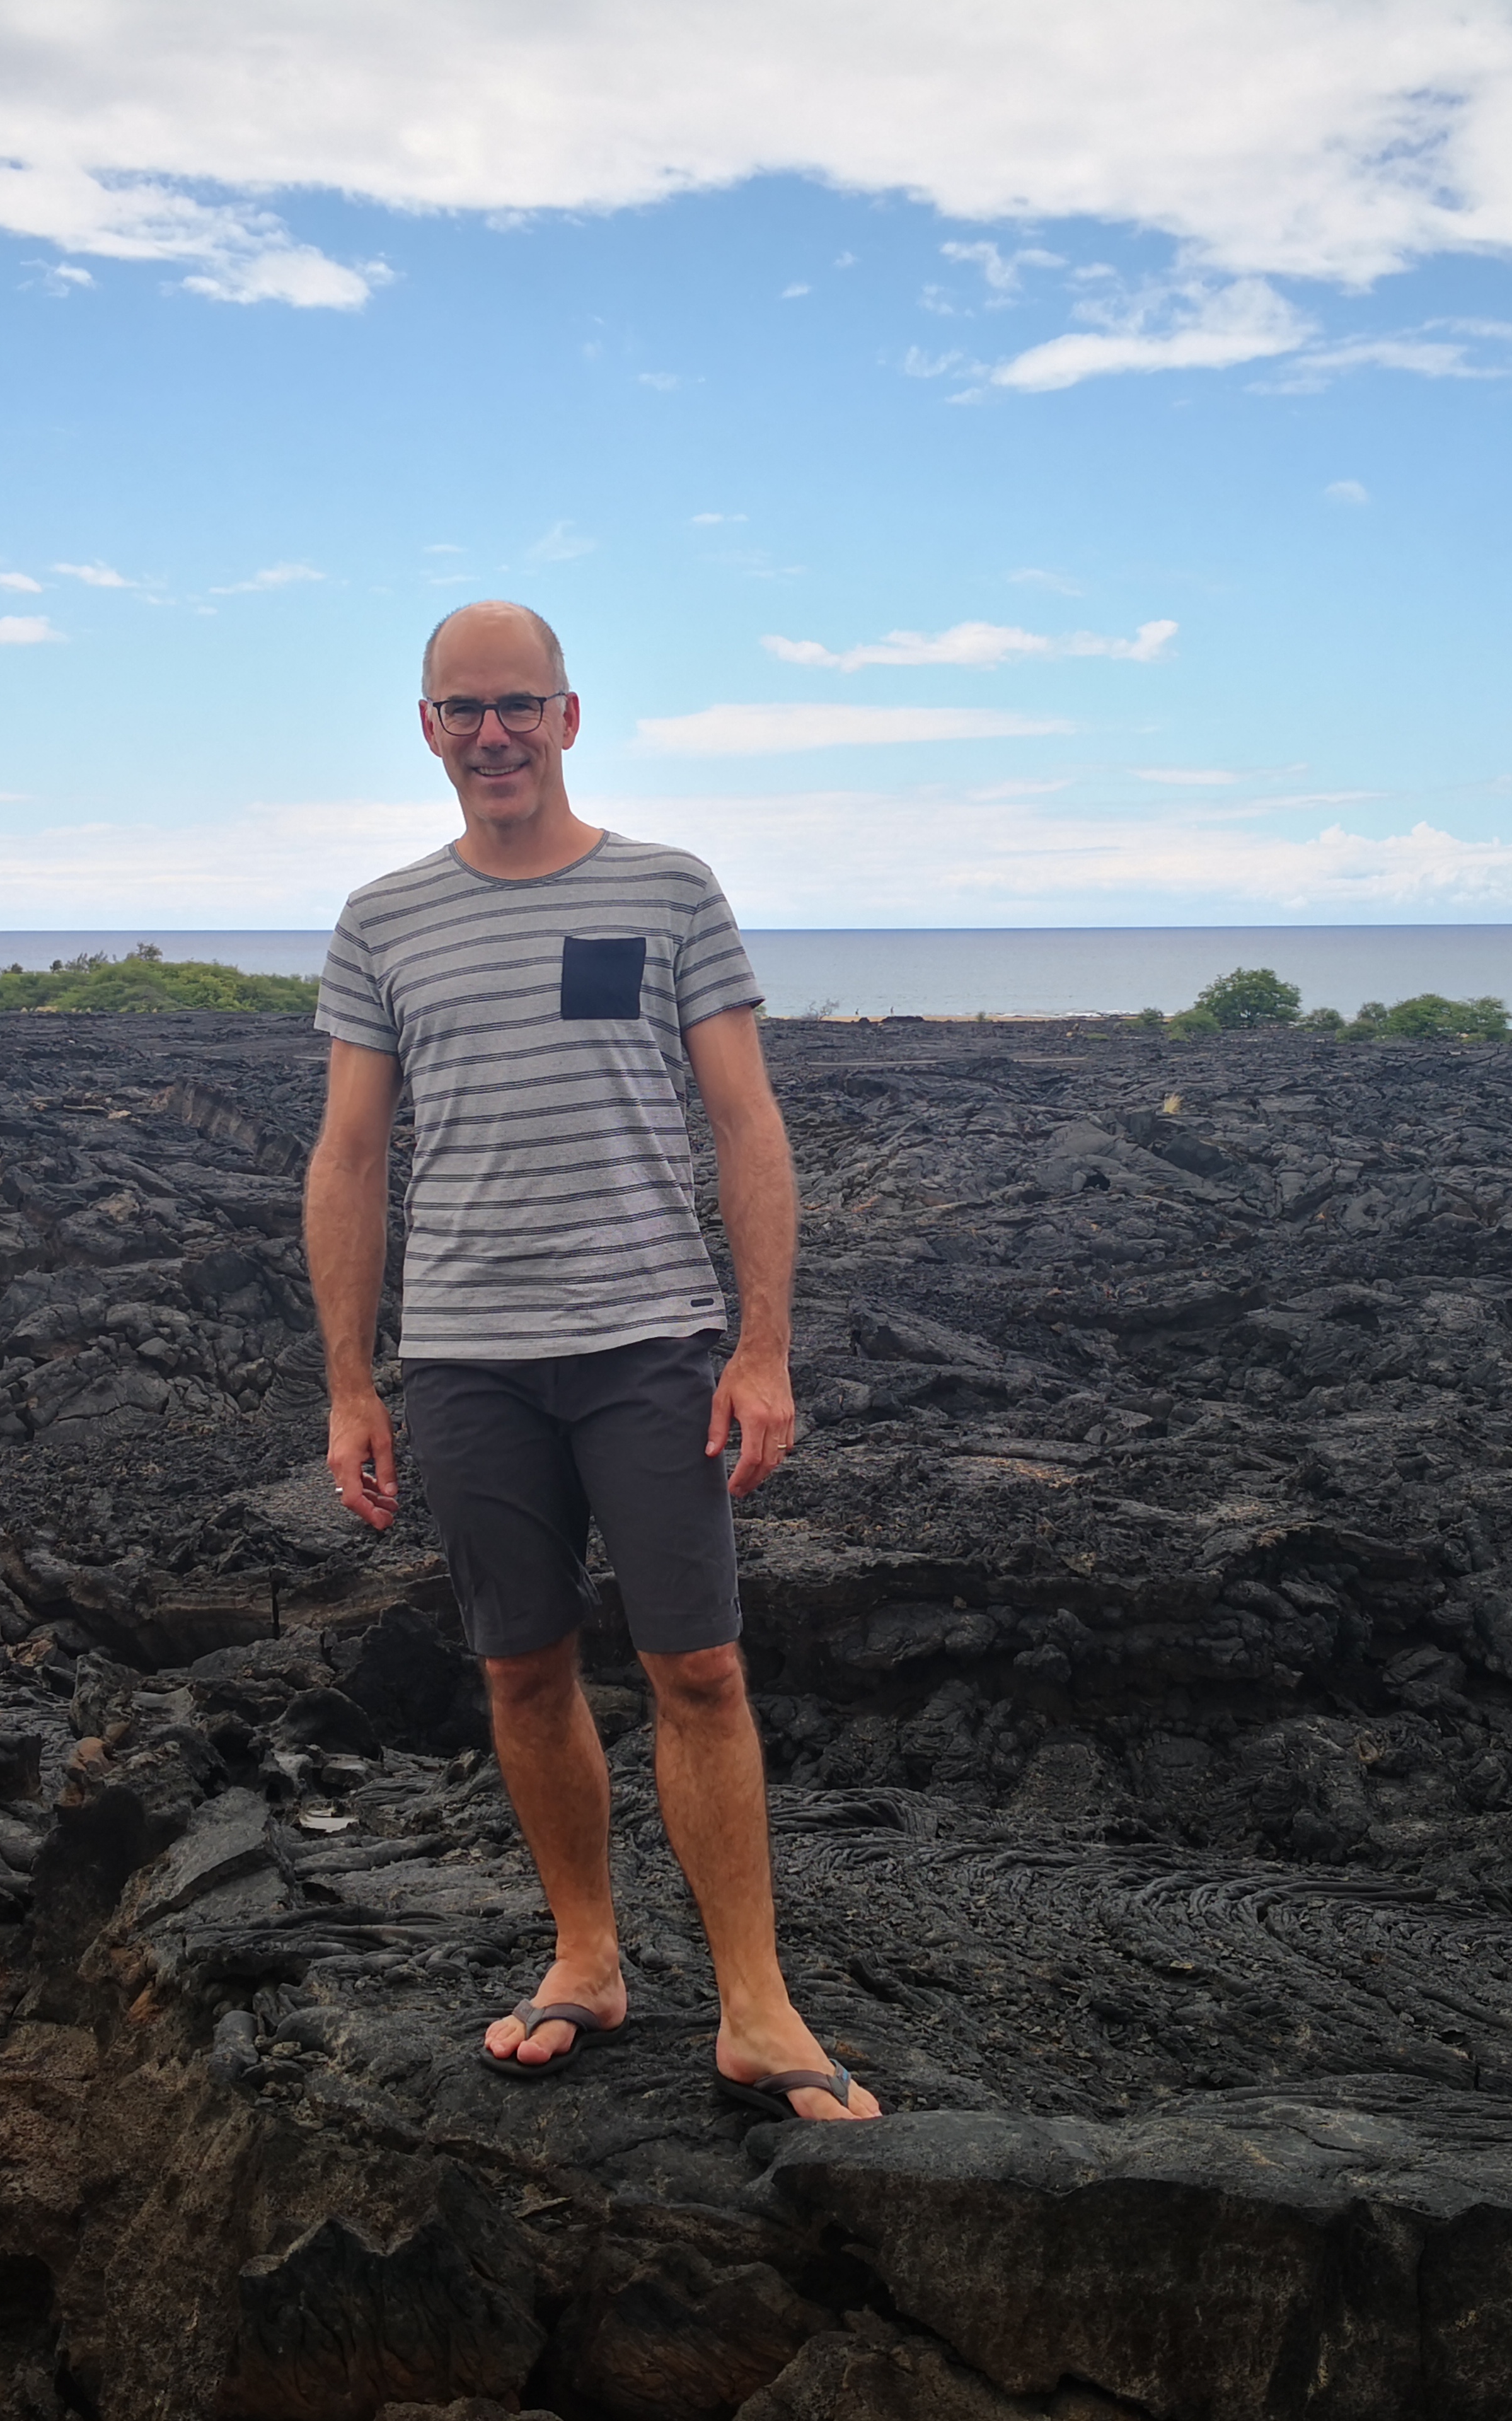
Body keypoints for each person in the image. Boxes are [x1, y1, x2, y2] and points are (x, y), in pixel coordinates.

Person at [303, 599, 879, 2125]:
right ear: (426, 730)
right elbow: (350, 1155)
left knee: (698, 1666)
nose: (491, 733)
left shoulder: (669, 889)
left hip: (647, 1340)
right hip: (469, 1362)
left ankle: (755, 2009)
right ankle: (586, 1960)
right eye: (462, 710)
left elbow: (747, 1123)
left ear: (569, 717)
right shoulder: (381, 921)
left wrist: (762, 1348)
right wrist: (353, 1383)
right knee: (522, 1666)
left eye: (519, 705)